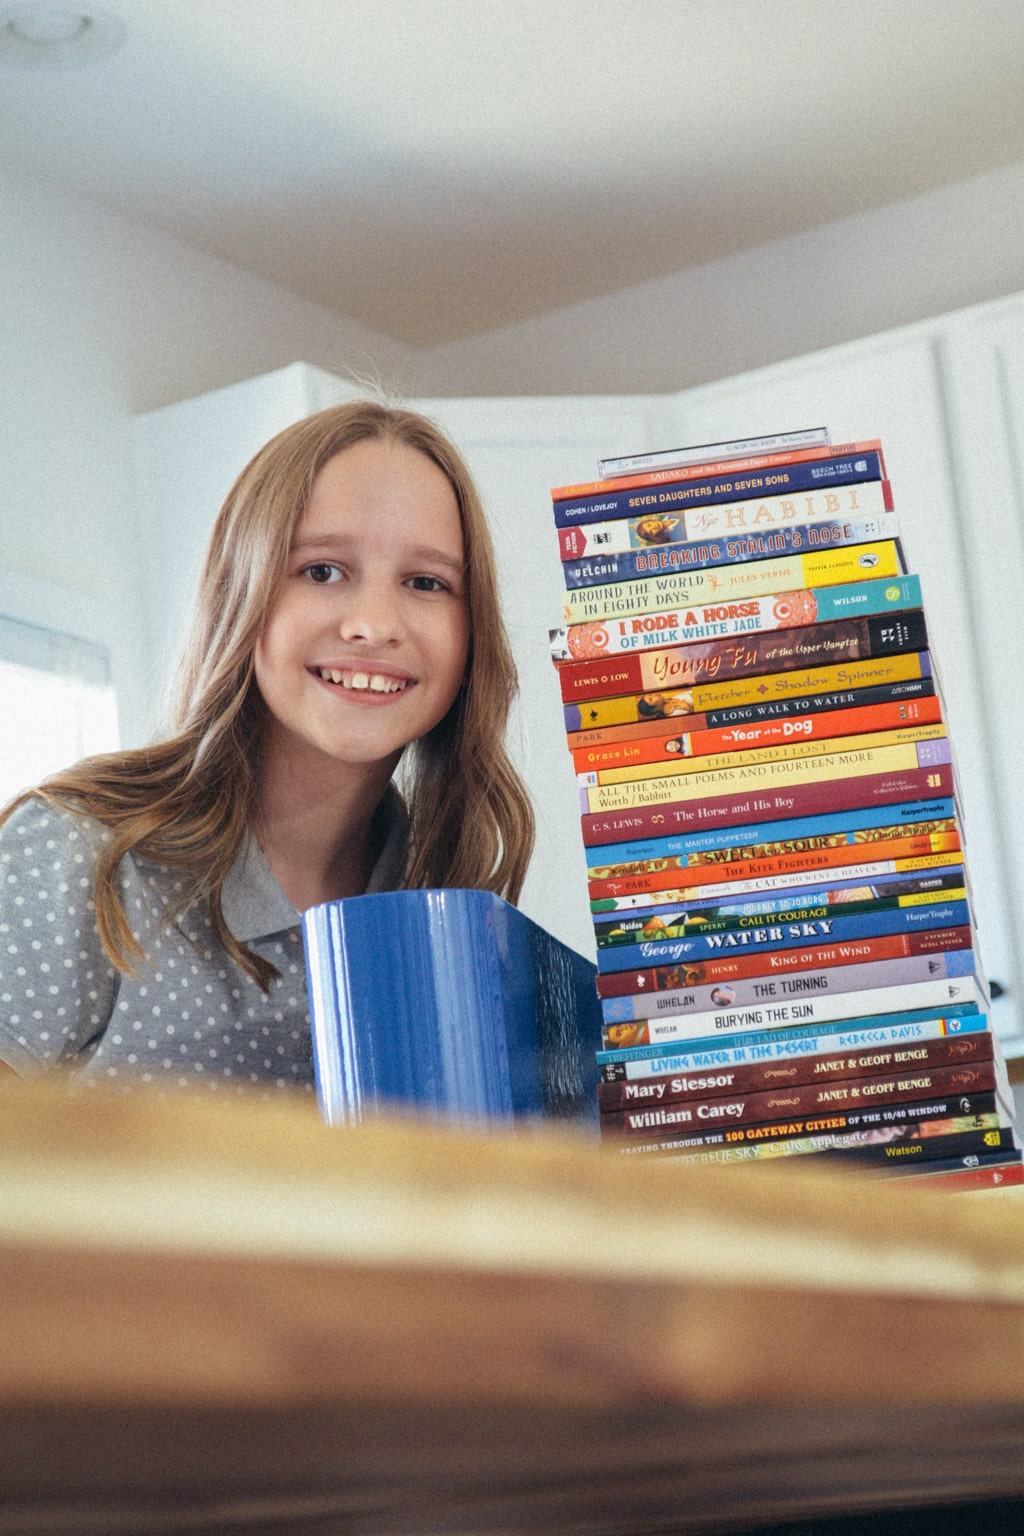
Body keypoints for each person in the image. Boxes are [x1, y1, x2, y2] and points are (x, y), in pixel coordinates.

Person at [0, 401, 535, 1094]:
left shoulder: (453, 919)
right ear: (240, 593)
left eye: (426, 583)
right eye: (321, 571)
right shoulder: (80, 857)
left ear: (473, 637)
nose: (374, 624)